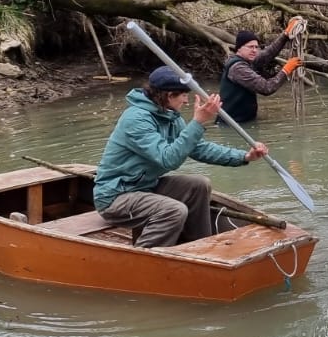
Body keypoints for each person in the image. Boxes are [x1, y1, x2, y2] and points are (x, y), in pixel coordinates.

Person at [94, 65, 268, 247]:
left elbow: (198, 148)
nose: (186, 101)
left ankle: (200, 246)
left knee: (199, 184)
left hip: (145, 188)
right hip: (116, 197)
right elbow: (167, 158)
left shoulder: (170, 115)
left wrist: (244, 157)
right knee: (174, 210)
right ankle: (146, 256)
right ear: (169, 96)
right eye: (183, 95)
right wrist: (198, 122)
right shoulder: (136, 119)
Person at [219, 17, 307, 123]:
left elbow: (267, 55)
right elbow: (267, 88)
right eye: (250, 47)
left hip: (243, 122)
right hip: (232, 125)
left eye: (256, 47)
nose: (254, 50)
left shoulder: (245, 61)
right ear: (239, 48)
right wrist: (286, 70)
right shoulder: (238, 68)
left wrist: (285, 35)